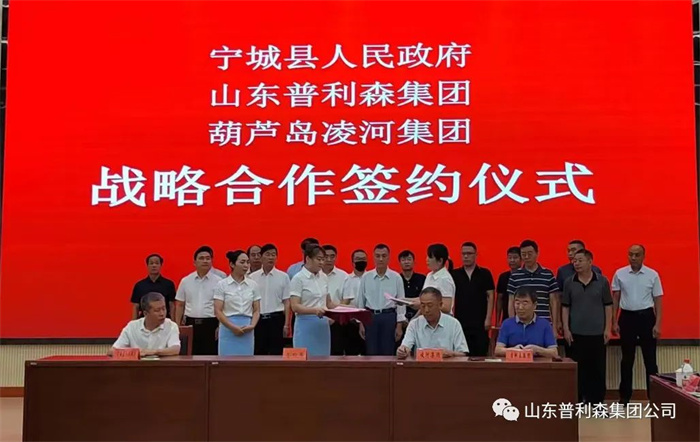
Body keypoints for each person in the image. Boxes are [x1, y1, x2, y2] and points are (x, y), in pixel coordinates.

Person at [612, 244, 663, 403]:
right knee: (627, 359)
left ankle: (654, 397)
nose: (633, 258)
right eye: (630, 254)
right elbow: (615, 299)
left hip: (647, 317)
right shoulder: (620, 273)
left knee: (650, 359)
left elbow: (658, 300)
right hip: (627, 317)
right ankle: (625, 396)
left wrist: (658, 324)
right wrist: (614, 321)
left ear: (643, 256)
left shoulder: (652, 275)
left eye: (637, 254)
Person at [562, 249, 612, 404]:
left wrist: (607, 328)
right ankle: (578, 401)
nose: (576, 263)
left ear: (590, 262)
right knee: (578, 370)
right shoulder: (569, 282)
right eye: (574, 261)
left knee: (598, 369)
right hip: (576, 333)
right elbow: (565, 307)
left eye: (580, 260)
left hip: (597, 333)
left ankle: (597, 403)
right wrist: (566, 329)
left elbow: (608, 305)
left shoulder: (602, 281)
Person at [289, 245, 345, 356]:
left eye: (323, 259)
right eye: (318, 259)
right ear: (308, 259)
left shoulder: (323, 277)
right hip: (305, 324)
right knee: (306, 359)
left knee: (323, 359)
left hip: (322, 325)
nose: (322, 262)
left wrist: (346, 309)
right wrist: (315, 310)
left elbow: (329, 303)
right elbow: (295, 306)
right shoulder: (298, 278)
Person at [357, 244, 406, 356]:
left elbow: (401, 303)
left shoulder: (396, 277)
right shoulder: (366, 277)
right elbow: (361, 302)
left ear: (389, 257)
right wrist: (360, 323)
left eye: (384, 256)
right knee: (371, 352)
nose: (380, 259)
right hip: (370, 317)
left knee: (388, 352)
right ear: (373, 257)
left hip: (389, 317)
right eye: (377, 256)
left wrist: (399, 325)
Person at [175, 246, 223, 355]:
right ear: (194, 262)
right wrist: (178, 327)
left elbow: (223, 307)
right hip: (190, 323)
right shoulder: (186, 281)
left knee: (210, 357)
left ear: (211, 261)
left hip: (211, 324)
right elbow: (180, 305)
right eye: (201, 258)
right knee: (190, 356)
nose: (205, 261)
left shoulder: (219, 282)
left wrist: (220, 326)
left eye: (208, 258)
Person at [397, 287, 469, 359]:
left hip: (446, 364)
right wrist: (402, 351)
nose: (426, 310)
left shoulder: (453, 324)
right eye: (423, 306)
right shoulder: (414, 324)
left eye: (430, 305)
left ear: (440, 305)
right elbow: (405, 346)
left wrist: (450, 353)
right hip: (422, 365)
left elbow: (463, 354)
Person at [507, 240, 560, 336]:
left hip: (544, 324)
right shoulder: (515, 276)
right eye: (523, 254)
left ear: (537, 253)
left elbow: (554, 302)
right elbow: (511, 301)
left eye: (530, 254)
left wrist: (554, 327)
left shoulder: (548, 274)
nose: (527, 257)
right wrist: (513, 324)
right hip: (521, 325)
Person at [451, 242, 495, 356]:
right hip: (461, 321)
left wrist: (488, 318)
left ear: (476, 255)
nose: (466, 256)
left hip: (480, 321)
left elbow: (491, 295)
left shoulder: (485, 273)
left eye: (469, 253)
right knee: (462, 353)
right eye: (463, 254)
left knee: (481, 352)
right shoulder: (454, 274)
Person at [214, 250, 261, 356]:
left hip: (247, 327)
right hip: (227, 327)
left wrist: (252, 325)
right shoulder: (222, 284)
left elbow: (256, 310)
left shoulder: (253, 285)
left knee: (246, 361)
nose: (246, 265)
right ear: (232, 264)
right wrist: (232, 327)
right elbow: (218, 311)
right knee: (226, 361)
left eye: (247, 262)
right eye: (242, 262)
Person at [249, 243, 291, 355]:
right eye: (267, 254)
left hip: (276, 319)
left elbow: (287, 302)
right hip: (258, 319)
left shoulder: (283, 277)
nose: (271, 257)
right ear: (261, 257)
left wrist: (286, 324)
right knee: (258, 352)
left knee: (276, 353)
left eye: (273, 255)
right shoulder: (252, 277)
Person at [110, 292, 181, 357]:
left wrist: (152, 352)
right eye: (157, 310)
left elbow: (175, 349)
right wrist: (136, 353)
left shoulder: (171, 326)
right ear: (145, 313)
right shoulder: (132, 327)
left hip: (162, 366)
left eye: (164, 309)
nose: (162, 313)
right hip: (137, 366)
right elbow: (112, 351)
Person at [495, 287, 558, 358]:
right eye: (517, 303)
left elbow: (554, 352)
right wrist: (513, 350)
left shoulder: (545, 324)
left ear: (534, 305)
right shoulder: (507, 324)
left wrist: (537, 350)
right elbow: (498, 350)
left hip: (537, 364)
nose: (520, 307)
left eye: (525, 303)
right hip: (513, 364)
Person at [130, 253, 176, 320]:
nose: (154, 265)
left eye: (157, 263)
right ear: (147, 265)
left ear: (160, 265)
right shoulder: (139, 285)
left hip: (164, 319)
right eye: (151, 263)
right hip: (144, 320)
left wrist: (173, 322)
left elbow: (171, 305)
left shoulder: (169, 284)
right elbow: (135, 306)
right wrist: (133, 322)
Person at [322, 244, 350, 355]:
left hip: (337, 321)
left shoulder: (344, 276)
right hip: (318, 318)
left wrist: (334, 316)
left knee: (336, 352)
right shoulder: (315, 275)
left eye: (332, 256)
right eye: (326, 256)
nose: (329, 259)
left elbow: (346, 300)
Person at [341, 249, 368, 355]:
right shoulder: (347, 279)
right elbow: (344, 301)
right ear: (352, 262)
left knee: (368, 354)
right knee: (351, 355)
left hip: (367, 322)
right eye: (358, 259)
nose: (361, 261)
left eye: (363, 259)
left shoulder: (371, 278)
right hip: (351, 322)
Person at [421, 244, 456, 314]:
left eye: (430, 257)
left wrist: (425, 304)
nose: (427, 259)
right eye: (427, 256)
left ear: (440, 261)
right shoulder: (429, 275)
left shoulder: (445, 279)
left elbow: (447, 307)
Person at [398, 250, 426, 321]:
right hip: (400, 318)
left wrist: (415, 318)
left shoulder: (422, 278)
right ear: (399, 263)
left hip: (420, 316)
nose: (406, 262)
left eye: (409, 259)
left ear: (414, 262)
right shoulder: (396, 279)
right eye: (403, 260)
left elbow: (425, 299)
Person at [496, 247, 521, 324]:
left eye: (515, 258)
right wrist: (497, 321)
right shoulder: (503, 277)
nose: (512, 260)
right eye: (510, 258)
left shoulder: (525, 276)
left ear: (521, 259)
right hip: (506, 317)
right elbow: (499, 299)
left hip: (523, 315)